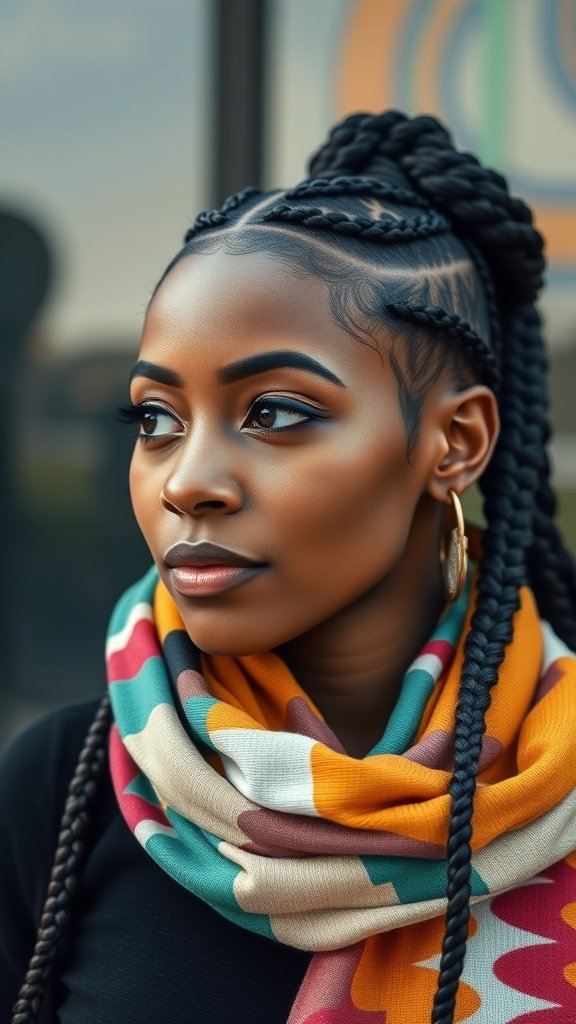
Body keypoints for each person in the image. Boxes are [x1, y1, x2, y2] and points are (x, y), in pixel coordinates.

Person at [2, 110, 576, 1024]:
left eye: (274, 412)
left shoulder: (564, 787)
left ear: (454, 443)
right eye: (155, 419)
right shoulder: (59, 789)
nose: (188, 482)